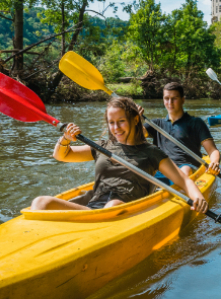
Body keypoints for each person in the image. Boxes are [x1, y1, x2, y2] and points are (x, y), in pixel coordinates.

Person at [31, 97, 208, 213]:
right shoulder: (102, 147)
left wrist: (198, 197)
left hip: (125, 211)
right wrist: (66, 138)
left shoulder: (152, 152)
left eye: (121, 121)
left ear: (135, 120)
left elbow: (183, 180)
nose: (116, 128)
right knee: (40, 203)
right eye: (112, 123)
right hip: (93, 210)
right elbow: (62, 155)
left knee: (114, 205)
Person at [137, 82, 220, 185]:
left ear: (182, 100)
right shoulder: (155, 124)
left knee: (185, 169)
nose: (170, 102)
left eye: (174, 98)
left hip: (188, 169)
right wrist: (136, 120)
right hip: (161, 170)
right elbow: (138, 134)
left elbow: (212, 151)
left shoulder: (196, 123)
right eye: (166, 98)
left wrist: (214, 162)